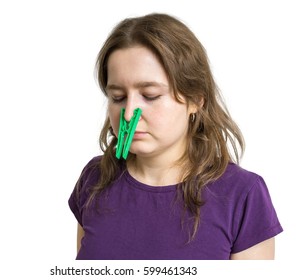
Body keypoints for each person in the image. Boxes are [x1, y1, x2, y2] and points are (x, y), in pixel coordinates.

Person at [68, 13, 283, 260]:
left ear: (195, 100)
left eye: (149, 95)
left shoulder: (242, 194)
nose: (128, 114)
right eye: (117, 97)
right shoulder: (94, 177)